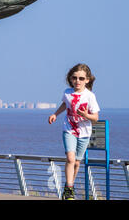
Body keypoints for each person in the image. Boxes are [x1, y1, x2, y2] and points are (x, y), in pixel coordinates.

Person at [48, 63, 100, 200]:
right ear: (70, 79)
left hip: (84, 132)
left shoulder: (90, 96)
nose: (78, 81)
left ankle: (68, 186)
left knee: (76, 163)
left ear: (87, 80)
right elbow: (65, 104)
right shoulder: (67, 92)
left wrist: (85, 115)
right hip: (69, 129)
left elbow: (95, 118)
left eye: (81, 78)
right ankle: (70, 190)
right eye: (75, 78)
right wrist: (55, 114)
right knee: (70, 159)